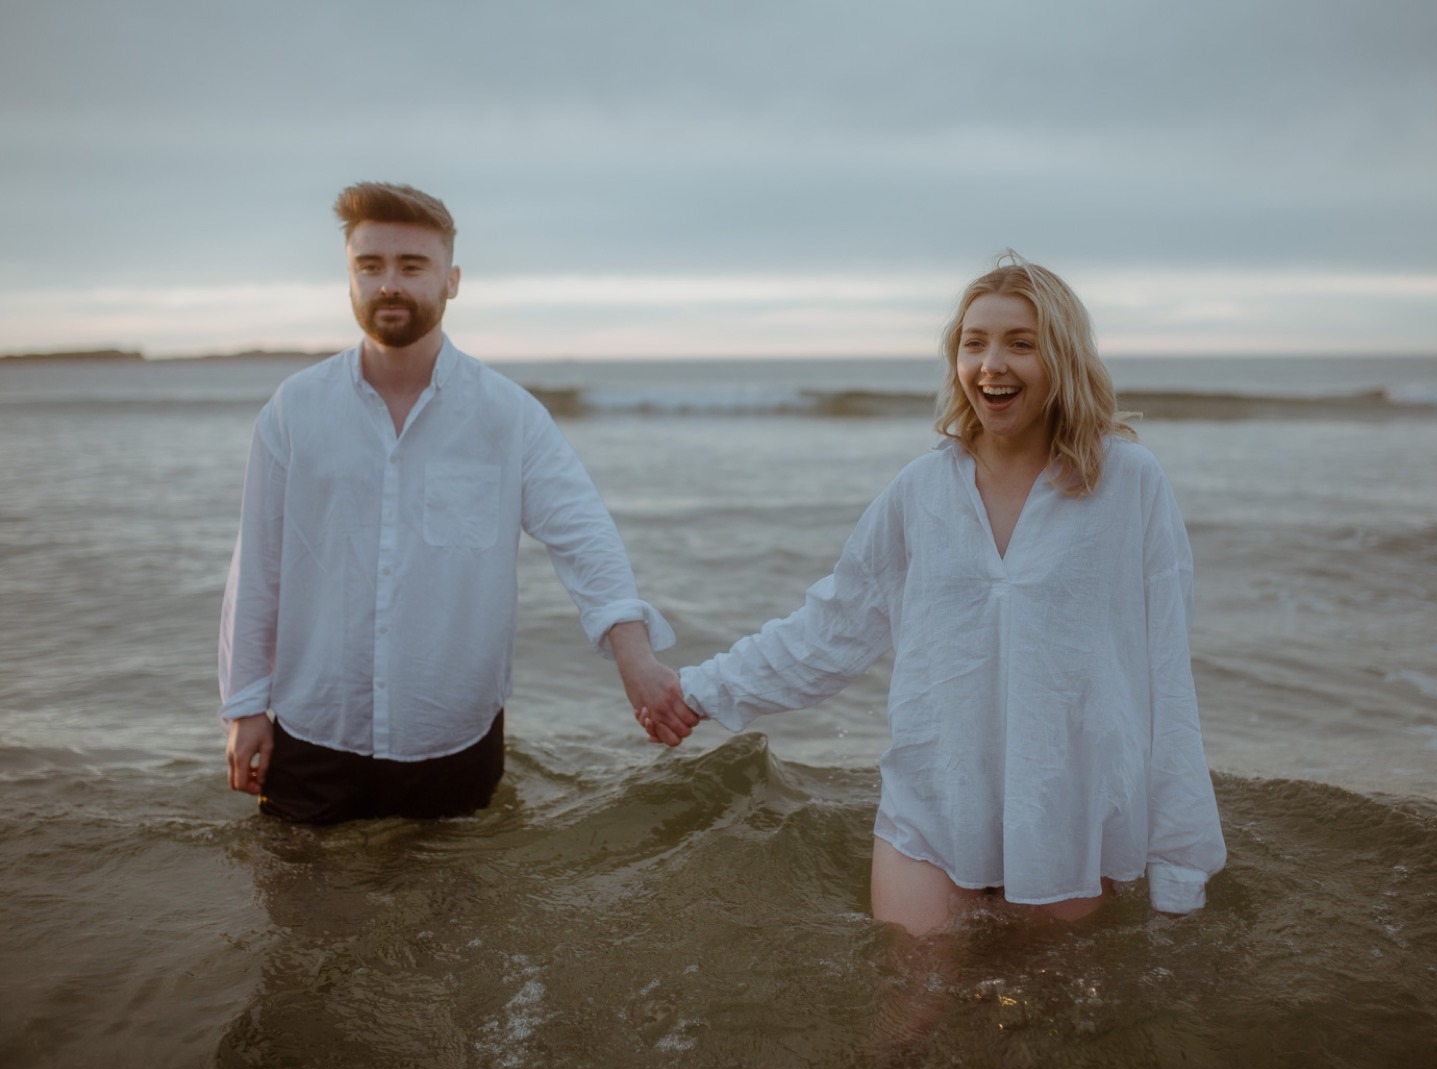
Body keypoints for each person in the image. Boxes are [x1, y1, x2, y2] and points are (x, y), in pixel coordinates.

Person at [645, 255, 1226, 937]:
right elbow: (834, 626)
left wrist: (1180, 868)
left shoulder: (1128, 484)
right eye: (973, 343)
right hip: (935, 805)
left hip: (1068, 813)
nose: (991, 365)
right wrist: (699, 690)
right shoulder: (922, 491)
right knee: (907, 1020)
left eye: (1020, 342)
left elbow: (1165, 675)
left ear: (1063, 357)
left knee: (1043, 1028)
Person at [220, 181, 700, 823]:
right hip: (316, 730)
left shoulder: (508, 417)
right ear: (350, 279)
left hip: (453, 737)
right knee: (298, 916)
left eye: (412, 266)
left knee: (459, 915)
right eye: (370, 266)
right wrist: (245, 707)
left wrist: (635, 658)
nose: (389, 283)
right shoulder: (295, 410)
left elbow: (584, 537)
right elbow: (258, 564)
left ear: (451, 280)